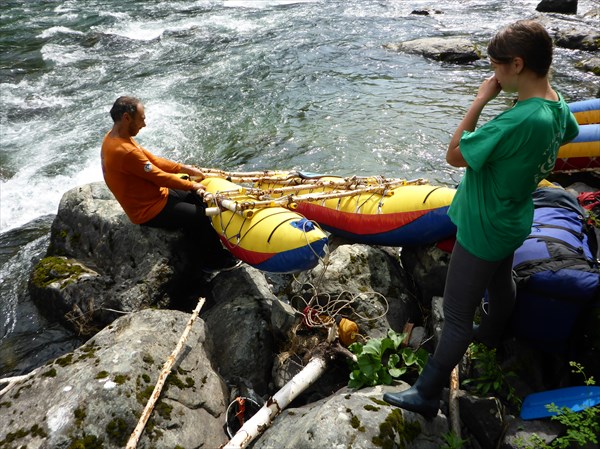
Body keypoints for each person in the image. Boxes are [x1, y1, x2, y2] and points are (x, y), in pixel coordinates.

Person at [383, 20, 580, 418]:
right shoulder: (555, 104)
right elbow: (572, 131)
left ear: (518, 64)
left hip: (483, 226)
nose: (493, 75)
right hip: (513, 219)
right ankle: (491, 335)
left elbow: (454, 154)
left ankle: (425, 393)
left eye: (495, 67)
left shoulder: (518, 120)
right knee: (501, 280)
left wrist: (479, 101)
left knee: (456, 315)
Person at [101, 96, 240, 272]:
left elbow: (153, 160)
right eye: (141, 119)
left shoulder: (116, 137)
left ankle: (206, 249)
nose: (144, 124)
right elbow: (159, 177)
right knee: (201, 216)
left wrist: (184, 168)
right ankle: (213, 262)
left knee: (196, 199)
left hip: (156, 194)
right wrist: (192, 185)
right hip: (147, 210)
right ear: (127, 117)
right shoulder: (124, 151)